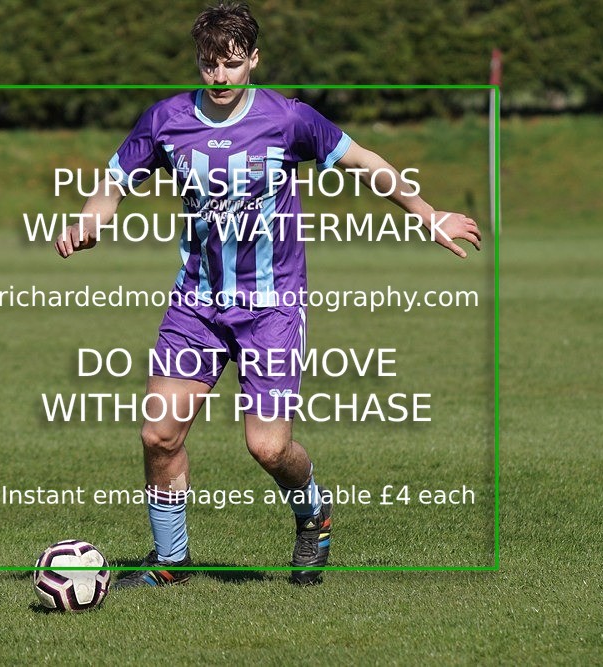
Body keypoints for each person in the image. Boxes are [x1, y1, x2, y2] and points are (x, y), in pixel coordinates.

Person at [55, 2, 481, 587]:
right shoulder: (166, 120)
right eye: (210, 65)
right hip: (196, 305)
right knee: (159, 433)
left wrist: (427, 214)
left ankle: (314, 515)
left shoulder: (288, 119)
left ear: (253, 60)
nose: (221, 77)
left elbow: (363, 162)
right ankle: (171, 563)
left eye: (232, 64)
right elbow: (113, 181)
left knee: (268, 447)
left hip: (272, 307)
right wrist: (90, 219)